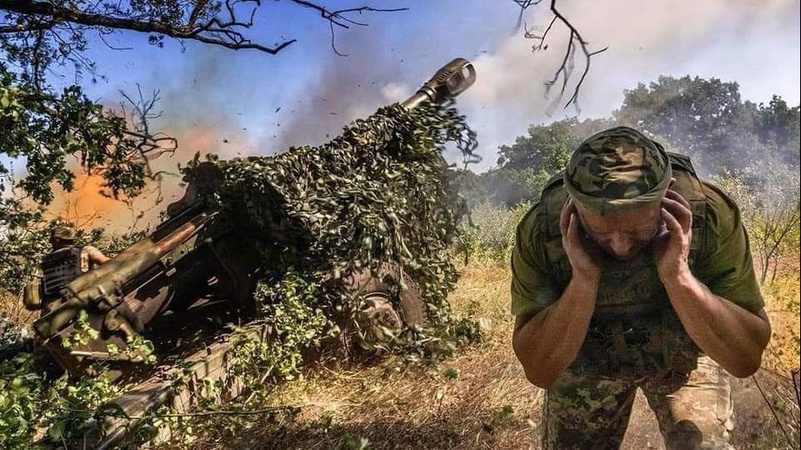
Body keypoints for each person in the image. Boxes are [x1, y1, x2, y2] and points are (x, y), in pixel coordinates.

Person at [510, 126, 772, 450]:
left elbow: (745, 358)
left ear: (668, 197)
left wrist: (678, 275)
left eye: (636, 230)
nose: (620, 246)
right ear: (573, 208)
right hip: (587, 357)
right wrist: (584, 280)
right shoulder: (543, 231)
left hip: (681, 350)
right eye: (603, 234)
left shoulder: (709, 213)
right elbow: (539, 369)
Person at [39, 225, 110, 303]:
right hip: (82, 298)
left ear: (56, 240)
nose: (49, 241)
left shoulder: (46, 259)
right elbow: (108, 263)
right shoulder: (86, 250)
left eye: (51, 238)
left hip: (54, 306)